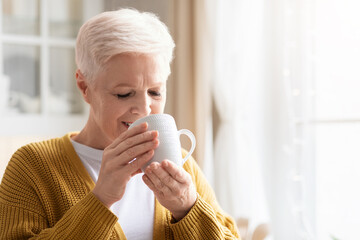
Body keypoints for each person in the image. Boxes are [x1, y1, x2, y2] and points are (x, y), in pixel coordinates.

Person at [0, 8, 240, 239]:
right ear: (84, 88)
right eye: (124, 94)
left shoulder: (182, 166)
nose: (144, 109)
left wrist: (188, 208)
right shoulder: (32, 167)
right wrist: (100, 199)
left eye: (155, 92)